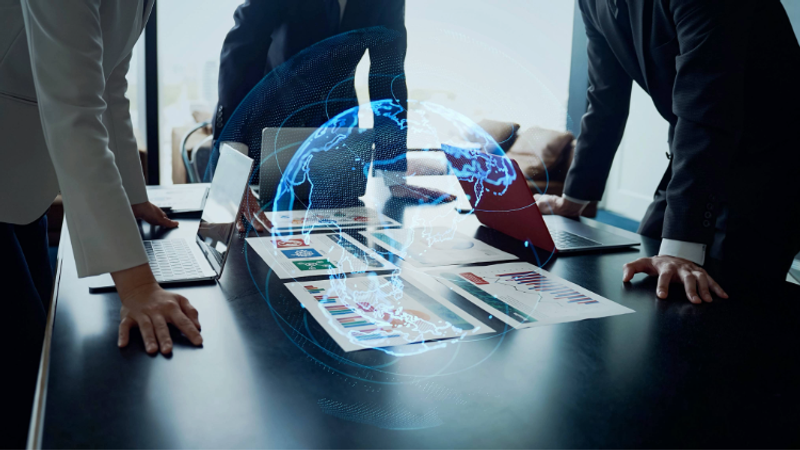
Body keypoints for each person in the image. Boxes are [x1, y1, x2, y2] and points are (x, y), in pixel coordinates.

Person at [0, 1, 203, 444]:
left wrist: (133, 197)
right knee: (18, 365)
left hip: (19, 182)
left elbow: (109, 87)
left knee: (44, 353)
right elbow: (75, 113)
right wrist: (138, 287)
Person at [536, 0, 800, 303]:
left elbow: (705, 106)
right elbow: (604, 100)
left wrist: (681, 250)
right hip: (693, 152)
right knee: (644, 265)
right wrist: (574, 198)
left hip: (772, 160)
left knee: (724, 298)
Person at [213, 0, 453, 228]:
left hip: (337, 132)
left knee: (344, 245)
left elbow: (387, 76)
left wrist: (394, 175)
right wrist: (234, 169)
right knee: (249, 240)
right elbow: (242, 51)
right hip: (263, 128)